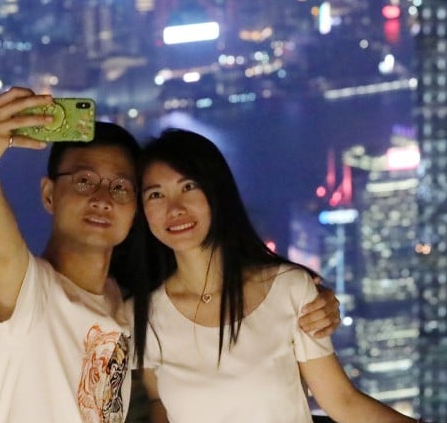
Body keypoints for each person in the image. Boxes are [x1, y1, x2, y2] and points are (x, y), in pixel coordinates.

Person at [0, 88, 340, 423]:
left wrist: (303, 296)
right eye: (83, 181)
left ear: (137, 210)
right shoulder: (29, 293)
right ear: (49, 195)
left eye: (121, 188)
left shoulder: (127, 306)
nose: (102, 198)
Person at [133, 128, 417, 423]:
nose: (175, 208)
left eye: (189, 187)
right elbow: (159, 405)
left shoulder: (288, 289)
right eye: (156, 194)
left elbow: (343, 402)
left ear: (217, 192)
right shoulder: (145, 315)